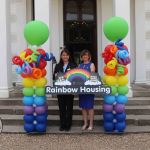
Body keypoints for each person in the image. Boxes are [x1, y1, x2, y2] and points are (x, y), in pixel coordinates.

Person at [53, 49, 76, 131]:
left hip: (70, 91)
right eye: (63, 55)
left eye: (66, 55)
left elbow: (75, 78)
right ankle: (62, 124)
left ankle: (68, 125)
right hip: (60, 91)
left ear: (69, 56)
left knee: (69, 108)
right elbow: (54, 78)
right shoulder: (57, 66)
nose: (65, 56)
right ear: (61, 56)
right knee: (61, 108)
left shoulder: (73, 65)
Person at [79, 49, 96, 131]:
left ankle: (91, 124)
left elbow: (92, 74)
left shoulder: (91, 64)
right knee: (83, 107)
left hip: (89, 88)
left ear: (89, 56)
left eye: (86, 55)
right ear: (81, 57)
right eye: (83, 55)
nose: (85, 56)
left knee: (90, 107)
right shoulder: (80, 65)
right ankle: (85, 123)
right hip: (82, 89)